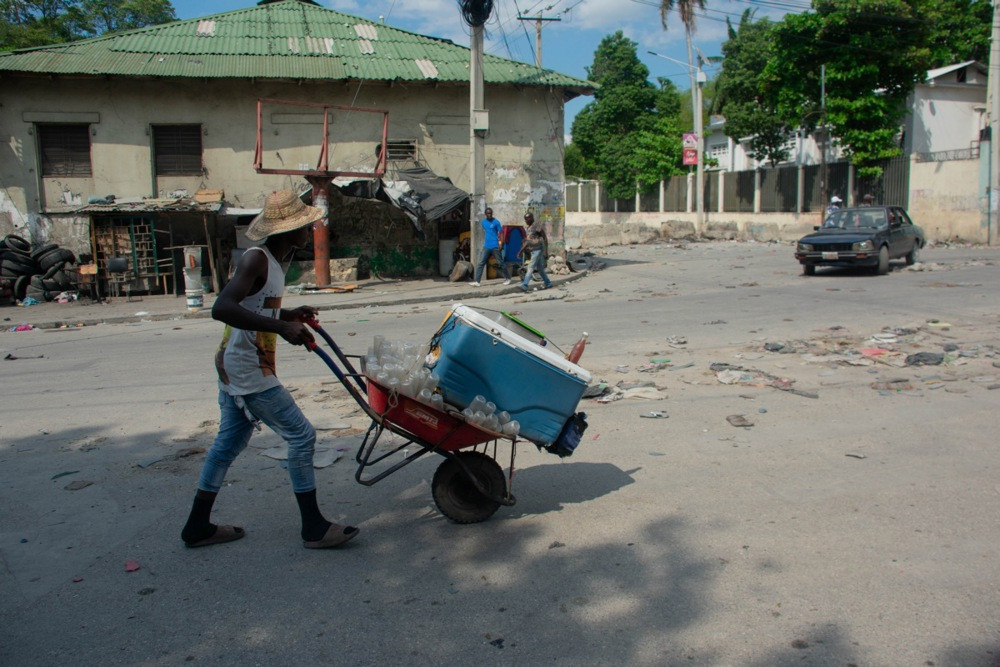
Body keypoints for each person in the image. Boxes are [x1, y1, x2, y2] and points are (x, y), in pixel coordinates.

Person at [181, 189, 359, 550]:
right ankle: (313, 527)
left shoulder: (275, 263)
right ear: (287, 230)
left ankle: (197, 526)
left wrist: (288, 315)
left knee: (228, 443)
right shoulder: (256, 259)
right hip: (247, 367)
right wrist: (281, 328)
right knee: (301, 436)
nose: (309, 232)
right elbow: (222, 308)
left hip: (237, 363)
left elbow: (255, 308)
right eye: (304, 227)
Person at [470, 207, 511, 287]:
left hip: (495, 246)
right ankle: (477, 281)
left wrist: (501, 244)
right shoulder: (483, 222)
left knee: (500, 262)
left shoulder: (496, 222)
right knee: (481, 263)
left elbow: (501, 233)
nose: (489, 215)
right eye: (488, 213)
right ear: (485, 214)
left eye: (490, 213)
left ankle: (508, 278)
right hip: (487, 246)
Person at [518, 212, 553, 292]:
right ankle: (548, 283)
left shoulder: (536, 226)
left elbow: (544, 238)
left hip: (537, 250)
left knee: (530, 267)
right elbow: (527, 241)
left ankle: (525, 285)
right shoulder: (528, 228)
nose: (527, 220)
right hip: (532, 251)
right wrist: (521, 251)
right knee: (540, 269)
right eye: (526, 219)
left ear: (532, 218)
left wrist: (546, 251)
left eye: (528, 218)